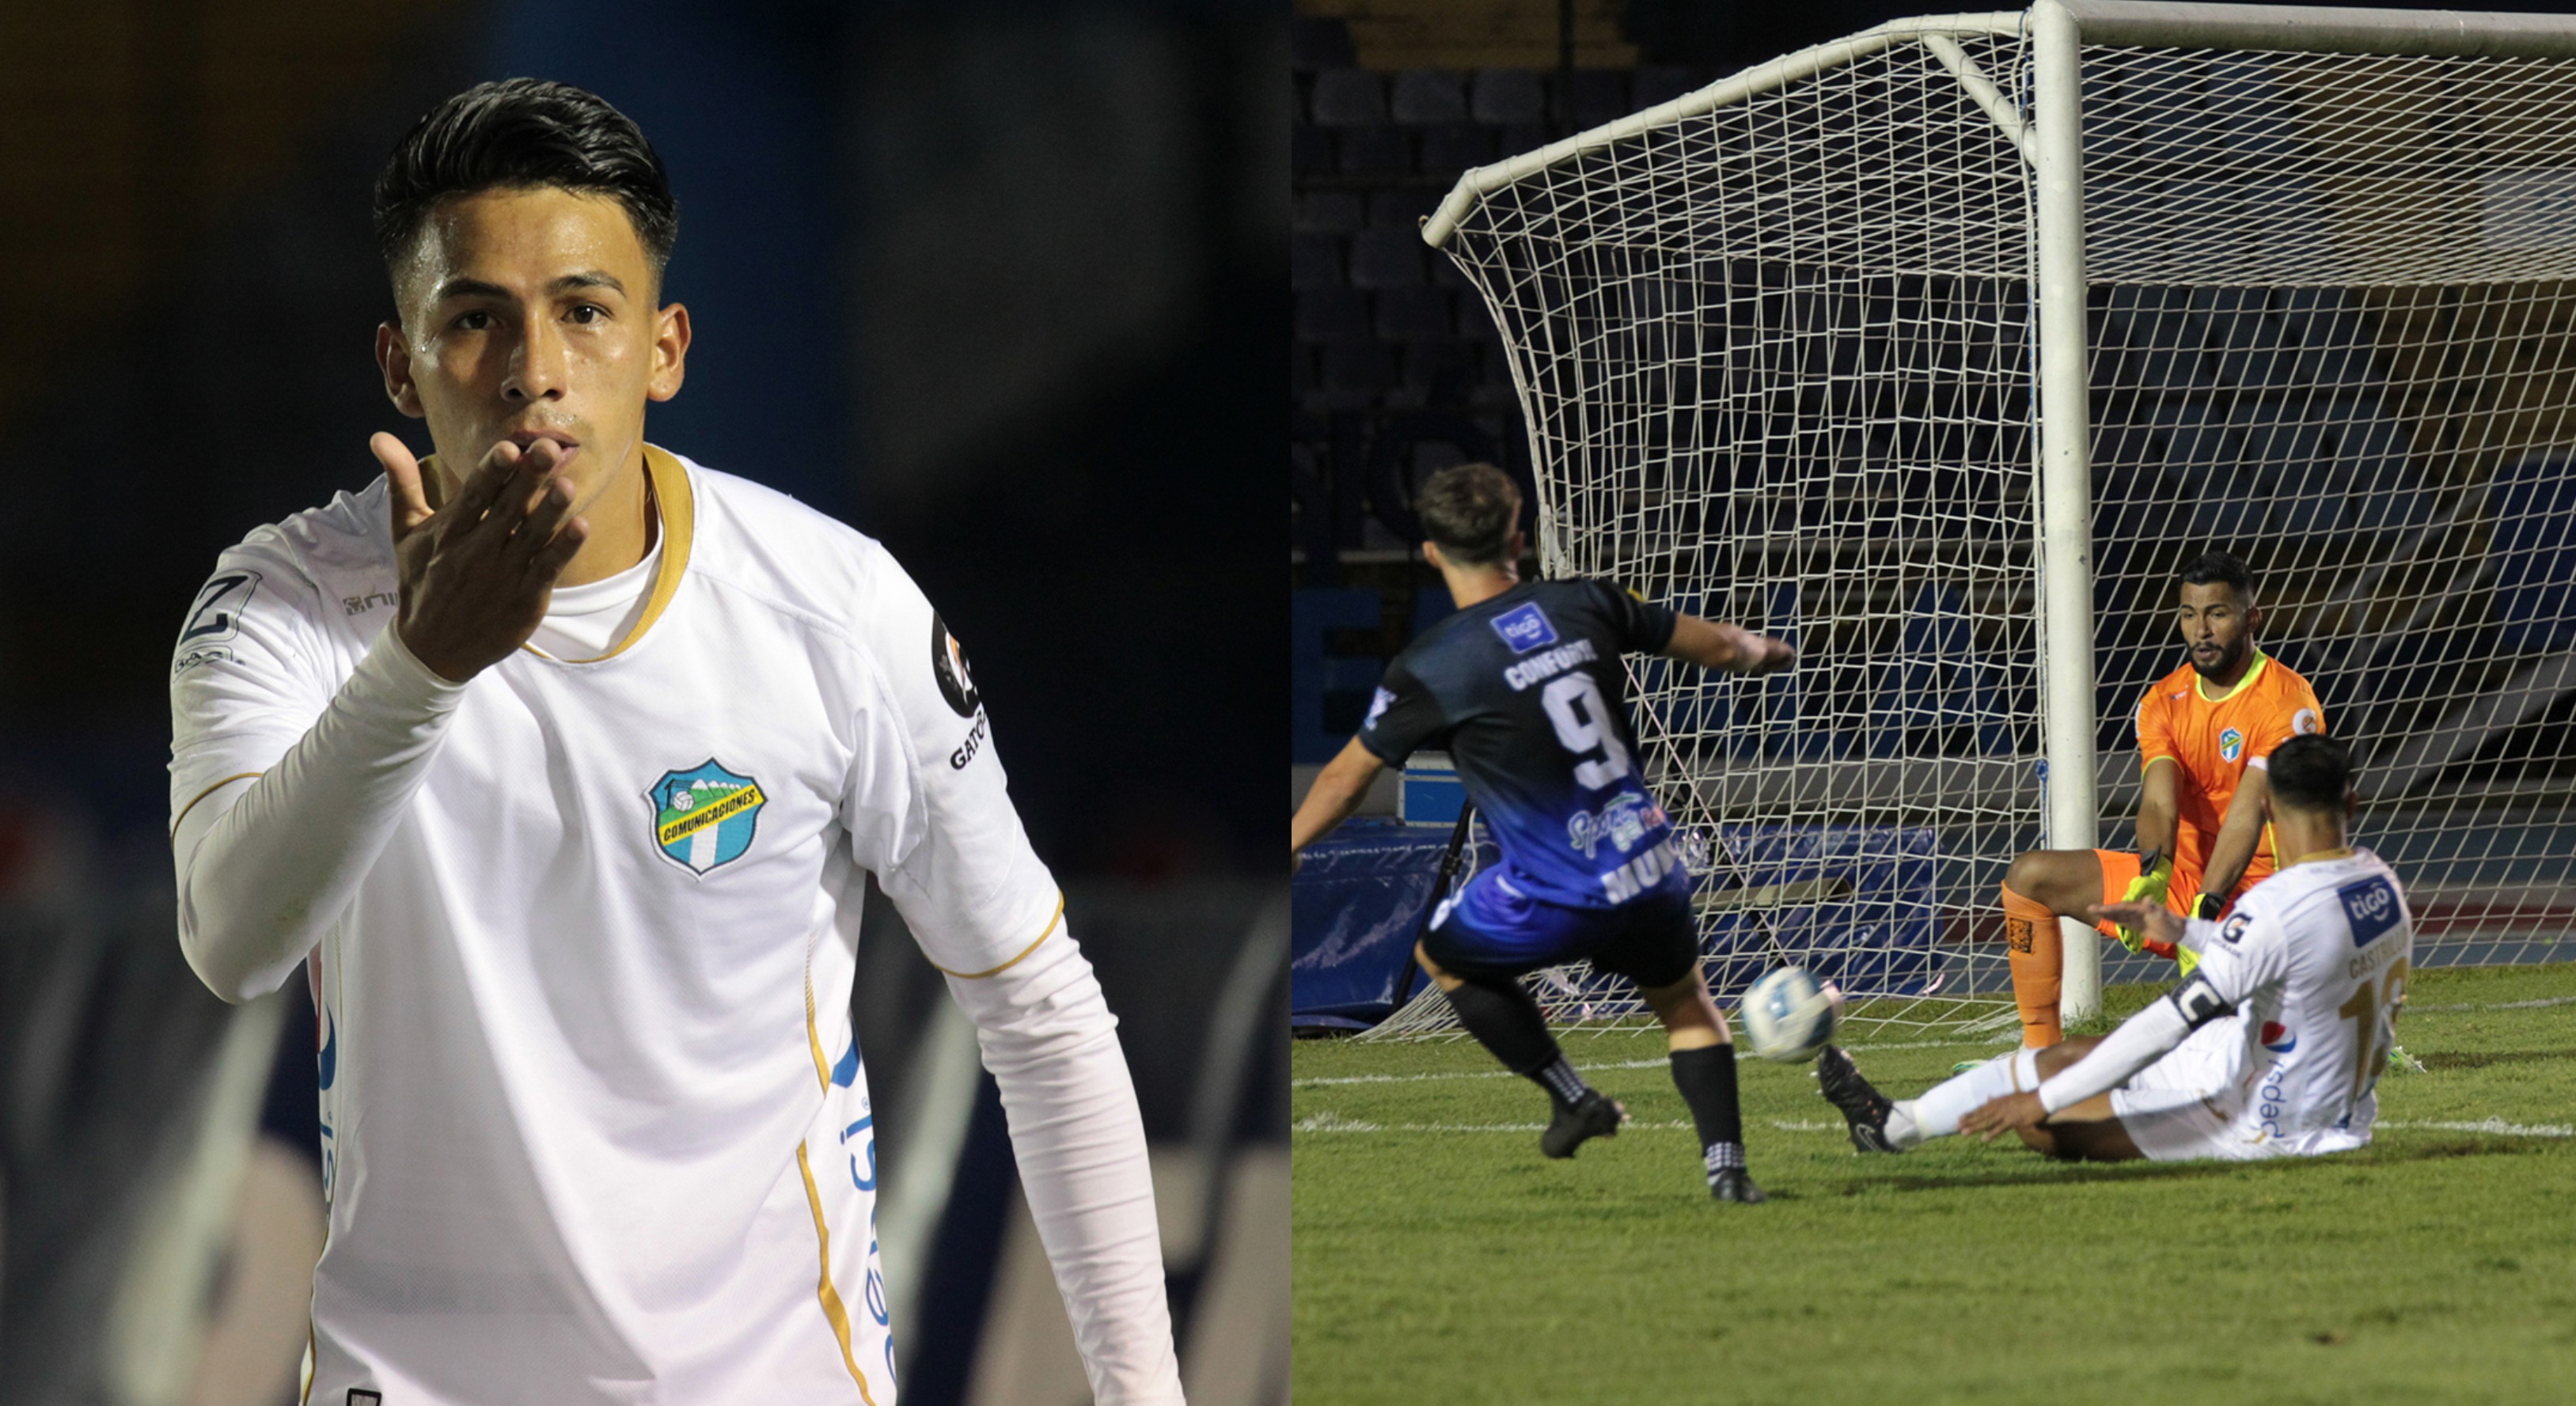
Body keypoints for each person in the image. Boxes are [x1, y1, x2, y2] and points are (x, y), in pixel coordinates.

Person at [166, 80, 1181, 1404]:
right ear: (399, 363)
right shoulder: (287, 604)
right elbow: (231, 939)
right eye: (474, 319)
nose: (534, 369)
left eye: (584, 310)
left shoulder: (834, 609)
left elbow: (1040, 1010)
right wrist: (423, 668)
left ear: (665, 347)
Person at [1290, 462, 1795, 1202]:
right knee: (1686, 1003)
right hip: (1650, 864)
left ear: (1431, 553)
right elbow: (1725, 647)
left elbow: (1344, 777)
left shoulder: (1429, 666)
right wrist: (1772, 652)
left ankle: (1571, 1095)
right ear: (1518, 539)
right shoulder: (1587, 601)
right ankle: (1728, 1170)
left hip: (1552, 892)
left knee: (1443, 955)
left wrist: (1292, 841)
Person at [1816, 734, 2409, 1163]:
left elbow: (2166, 1024)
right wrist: (2182, 931)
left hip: (2267, 1119)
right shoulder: (2380, 883)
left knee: (2045, 1123)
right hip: (2289, 1073)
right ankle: (1895, 1123)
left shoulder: (2278, 905)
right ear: (2350, 803)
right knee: (2067, 1053)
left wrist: (2037, 1101)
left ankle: (1919, 1122)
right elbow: (2292, 954)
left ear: (2266, 810)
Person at [1997, 549, 2326, 1047]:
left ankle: (2332, 1024)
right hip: (2187, 888)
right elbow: (2157, 804)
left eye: (2217, 613)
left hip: (2263, 902)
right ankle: (2038, 1051)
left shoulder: (2288, 703)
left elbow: (2246, 815)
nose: (2202, 630)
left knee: (2253, 1050)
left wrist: (2206, 909)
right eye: (2189, 615)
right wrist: (2154, 871)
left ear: (2251, 617)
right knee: (2030, 878)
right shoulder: (2163, 700)